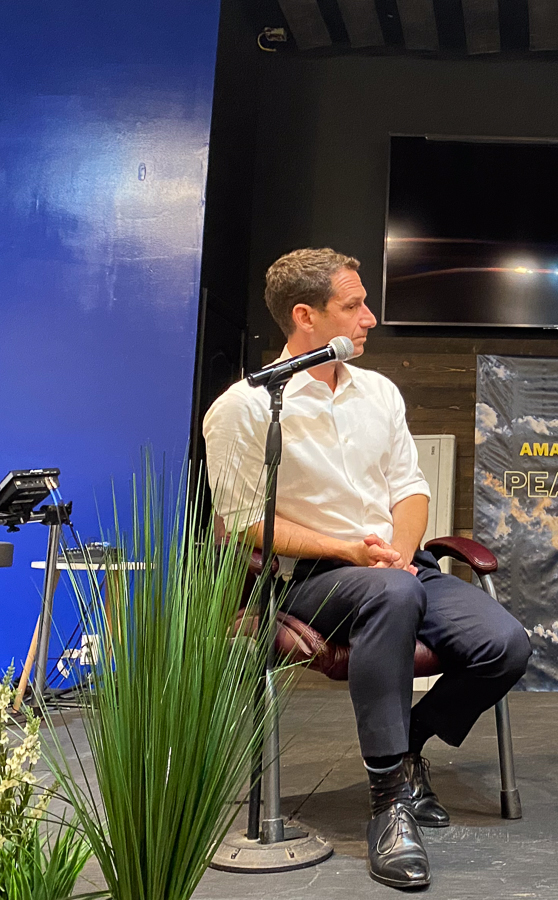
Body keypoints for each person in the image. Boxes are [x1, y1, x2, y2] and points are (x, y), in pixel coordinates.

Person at [203, 248, 531, 890]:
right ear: (305, 316)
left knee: (506, 645)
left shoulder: (378, 392)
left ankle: (407, 749)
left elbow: (410, 487)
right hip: (309, 580)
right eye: (353, 306)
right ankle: (389, 806)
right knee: (388, 592)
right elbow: (245, 522)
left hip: (396, 565)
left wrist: (404, 555)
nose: (370, 319)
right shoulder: (244, 408)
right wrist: (357, 552)